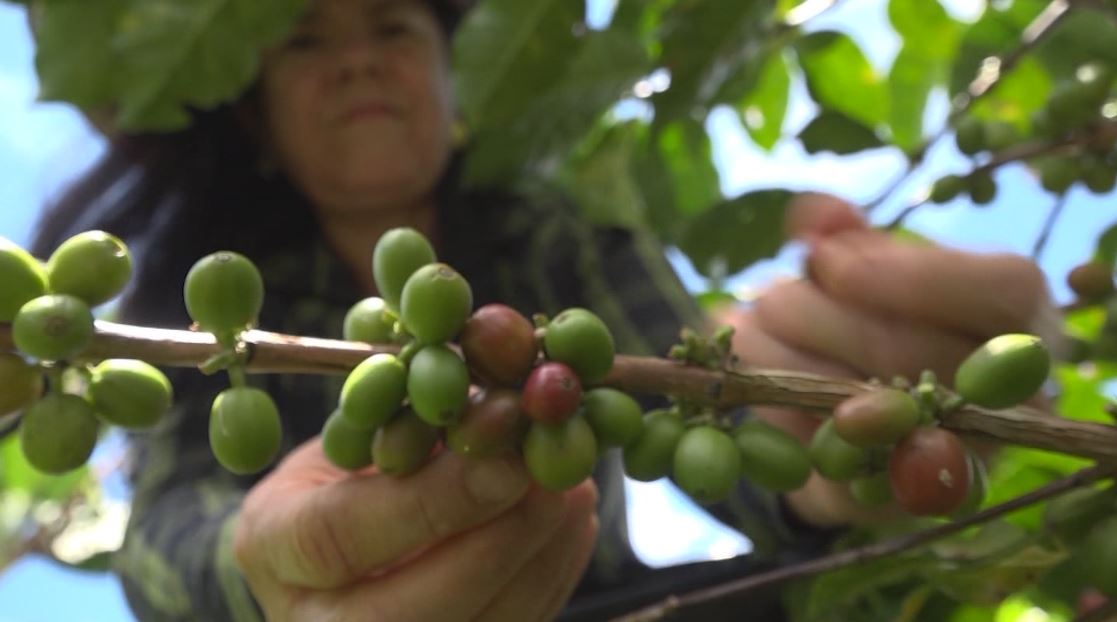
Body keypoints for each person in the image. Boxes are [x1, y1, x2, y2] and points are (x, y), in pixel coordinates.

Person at [28, 0, 1063, 620]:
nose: (355, 58)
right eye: (304, 42)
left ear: (455, 83)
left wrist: (818, 446)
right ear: (257, 120)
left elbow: (697, 380)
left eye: (392, 23)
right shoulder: (198, 290)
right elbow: (162, 534)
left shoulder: (555, 235)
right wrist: (269, 570)